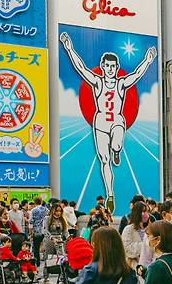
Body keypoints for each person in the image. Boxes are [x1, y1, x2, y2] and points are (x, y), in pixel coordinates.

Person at [60, 32, 157, 211]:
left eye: (113, 66)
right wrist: (69, 48)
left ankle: (117, 150)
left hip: (117, 121)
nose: (110, 69)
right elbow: (81, 68)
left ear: (116, 67)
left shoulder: (121, 84)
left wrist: (148, 60)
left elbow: (136, 75)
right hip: (101, 122)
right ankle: (110, 194)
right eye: (107, 66)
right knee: (104, 160)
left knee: (117, 144)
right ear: (103, 67)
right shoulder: (97, 82)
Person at [42, 203, 69, 284]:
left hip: (60, 241)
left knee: (61, 260)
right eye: (57, 210)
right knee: (48, 260)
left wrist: (68, 238)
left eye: (60, 211)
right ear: (53, 210)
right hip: (49, 241)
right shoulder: (47, 218)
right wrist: (52, 238)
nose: (58, 213)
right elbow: (45, 230)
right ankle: (46, 280)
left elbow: (65, 231)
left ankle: (62, 281)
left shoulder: (63, 219)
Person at [121, 201, 146, 269]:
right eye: (143, 211)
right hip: (133, 266)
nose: (146, 214)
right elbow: (127, 248)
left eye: (147, 212)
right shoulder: (128, 229)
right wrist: (145, 245)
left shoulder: (148, 229)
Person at [28, 197, 48, 267]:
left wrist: (30, 232)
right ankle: (46, 262)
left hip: (36, 231)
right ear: (41, 201)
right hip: (45, 231)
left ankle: (37, 262)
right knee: (46, 247)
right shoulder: (46, 210)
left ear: (34, 202)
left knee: (36, 248)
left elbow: (31, 222)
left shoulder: (33, 210)